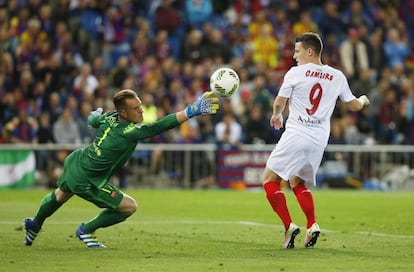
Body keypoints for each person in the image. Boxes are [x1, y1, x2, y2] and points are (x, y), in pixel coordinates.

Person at [23, 89, 219, 248]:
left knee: (60, 195)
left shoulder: (110, 117)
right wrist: (190, 111)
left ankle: (35, 223)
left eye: (140, 106)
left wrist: (94, 116)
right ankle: (86, 229)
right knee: (128, 206)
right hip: (89, 178)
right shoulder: (128, 131)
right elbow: (159, 126)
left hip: (77, 161)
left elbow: (93, 120)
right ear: (124, 113)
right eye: (136, 108)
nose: (141, 111)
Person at [263, 32, 370, 249]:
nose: (294, 56)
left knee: (269, 179)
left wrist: (276, 115)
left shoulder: (295, 73)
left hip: (297, 133)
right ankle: (312, 225)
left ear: (310, 52)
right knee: (297, 181)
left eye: (297, 51)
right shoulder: (337, 76)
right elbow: (353, 105)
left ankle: (288, 226)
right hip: (319, 140)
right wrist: (363, 100)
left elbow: (279, 102)